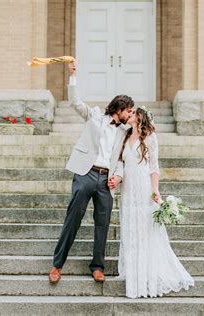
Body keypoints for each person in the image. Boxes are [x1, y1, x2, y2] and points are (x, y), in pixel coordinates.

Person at [49, 61, 134, 284]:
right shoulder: (94, 116)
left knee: (102, 223)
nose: (130, 114)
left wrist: (119, 175)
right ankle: (57, 265)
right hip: (85, 173)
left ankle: (97, 266)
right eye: (128, 110)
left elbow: (123, 159)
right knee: (73, 219)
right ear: (119, 109)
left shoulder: (126, 131)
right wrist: (73, 75)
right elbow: (75, 102)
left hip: (107, 180)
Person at [116, 106, 194, 298]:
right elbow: (120, 162)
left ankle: (146, 275)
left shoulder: (150, 137)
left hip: (143, 188)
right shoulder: (124, 137)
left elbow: (154, 167)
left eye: (133, 113)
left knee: (144, 228)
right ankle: (133, 272)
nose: (129, 114)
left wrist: (155, 190)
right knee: (131, 227)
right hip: (128, 190)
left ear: (140, 117)